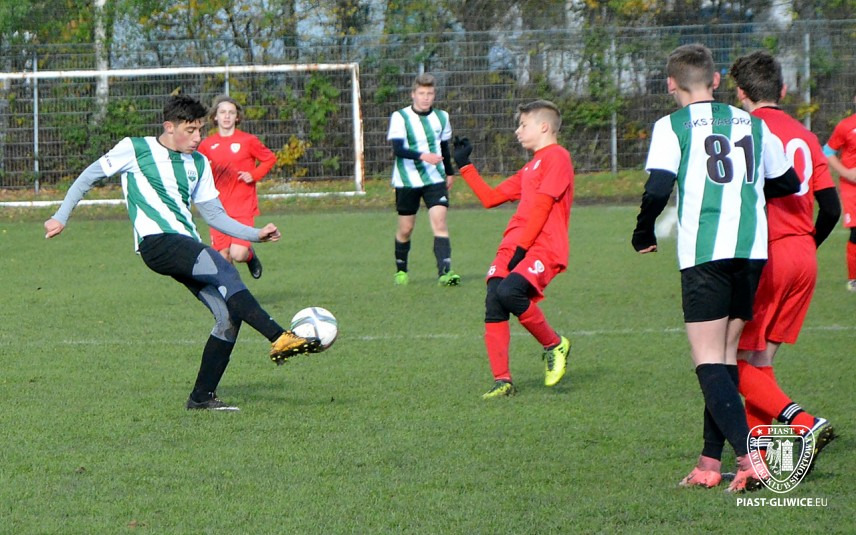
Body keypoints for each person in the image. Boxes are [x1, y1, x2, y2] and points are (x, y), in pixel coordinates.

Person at [44, 94, 320, 412]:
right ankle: (279, 336)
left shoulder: (199, 163)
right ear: (169, 127)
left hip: (185, 243)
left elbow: (215, 215)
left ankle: (201, 397)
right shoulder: (136, 148)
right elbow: (88, 176)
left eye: (200, 130)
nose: (197, 137)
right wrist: (61, 216)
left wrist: (255, 234)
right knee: (224, 269)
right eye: (190, 131)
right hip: (157, 242)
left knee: (229, 316)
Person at [631, 44, 800, 493]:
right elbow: (788, 181)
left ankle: (749, 459)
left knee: (706, 358)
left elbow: (658, 188)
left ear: (671, 84)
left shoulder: (672, 125)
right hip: (751, 251)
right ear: (717, 80)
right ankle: (709, 462)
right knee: (724, 358)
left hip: (706, 253)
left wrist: (643, 232)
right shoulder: (752, 122)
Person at [730, 50, 839, 471]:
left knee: (725, 359)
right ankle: (762, 458)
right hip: (803, 256)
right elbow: (830, 209)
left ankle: (805, 423)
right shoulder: (806, 136)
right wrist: (806, 245)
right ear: (784, 89)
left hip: (767, 254)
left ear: (740, 93)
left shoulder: (745, 131)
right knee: (760, 362)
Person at [452, 100, 573, 399]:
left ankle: (554, 344)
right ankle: (502, 380)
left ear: (543, 127)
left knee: (510, 292)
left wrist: (522, 249)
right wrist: (465, 165)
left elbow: (543, 206)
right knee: (495, 299)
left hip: (541, 246)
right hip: (514, 244)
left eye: (523, 125)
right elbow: (491, 198)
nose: (517, 131)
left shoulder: (558, 157)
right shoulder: (530, 167)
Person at [387, 73, 459, 286]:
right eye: (421, 93)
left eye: (430, 93)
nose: (426, 97)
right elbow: (398, 149)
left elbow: (444, 147)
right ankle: (401, 270)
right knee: (406, 229)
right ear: (413, 94)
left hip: (434, 179)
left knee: (440, 223)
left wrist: (449, 172)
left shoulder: (442, 117)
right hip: (407, 181)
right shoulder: (400, 117)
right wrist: (423, 156)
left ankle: (445, 273)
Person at [197, 95, 276, 280]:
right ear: (215, 116)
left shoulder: (248, 141)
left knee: (238, 254)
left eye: (231, 112)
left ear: (237, 117)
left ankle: (250, 256)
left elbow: (269, 159)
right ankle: (234, 292)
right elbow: (197, 168)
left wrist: (254, 175)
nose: (227, 116)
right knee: (223, 256)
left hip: (242, 206)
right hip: (218, 208)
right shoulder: (207, 145)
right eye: (222, 112)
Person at [822, 93, 856, 292]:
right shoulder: (846, 126)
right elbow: (827, 151)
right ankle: (854, 279)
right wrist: (846, 173)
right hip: (852, 188)